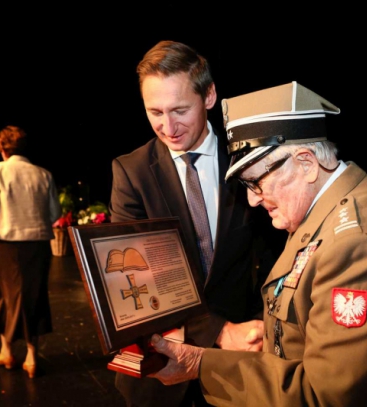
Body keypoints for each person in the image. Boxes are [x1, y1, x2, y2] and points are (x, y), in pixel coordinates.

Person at [147, 81, 367, 406]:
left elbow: (322, 394)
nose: (252, 199)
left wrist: (201, 365)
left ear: (306, 163)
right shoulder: (329, 210)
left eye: (256, 181)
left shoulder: (357, 247)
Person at [109, 40, 284, 407]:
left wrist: (259, 327)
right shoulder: (131, 173)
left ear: (209, 96)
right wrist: (219, 331)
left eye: (179, 110)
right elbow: (135, 278)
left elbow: (274, 255)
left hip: (241, 362)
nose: (168, 126)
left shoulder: (247, 160)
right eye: (154, 112)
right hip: (161, 369)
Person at [0, 125, 61, 379]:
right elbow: (54, 214)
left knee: (5, 297)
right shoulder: (43, 174)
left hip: (5, 246)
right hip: (38, 245)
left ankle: (7, 352)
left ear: (1, 148)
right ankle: (32, 357)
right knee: (34, 297)